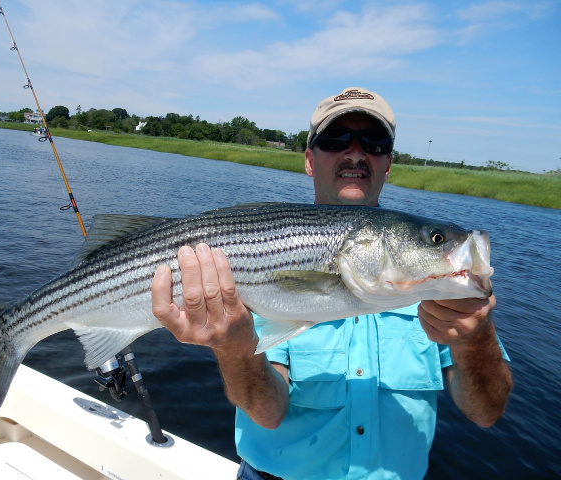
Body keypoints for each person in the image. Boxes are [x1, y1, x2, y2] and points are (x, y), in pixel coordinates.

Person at [151, 87, 513, 480]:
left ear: (388, 164)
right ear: (310, 159)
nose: (356, 153)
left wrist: (475, 340)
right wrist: (235, 349)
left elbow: (486, 413)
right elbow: (268, 414)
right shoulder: (275, 249)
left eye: (374, 143)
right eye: (335, 140)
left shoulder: (443, 290)